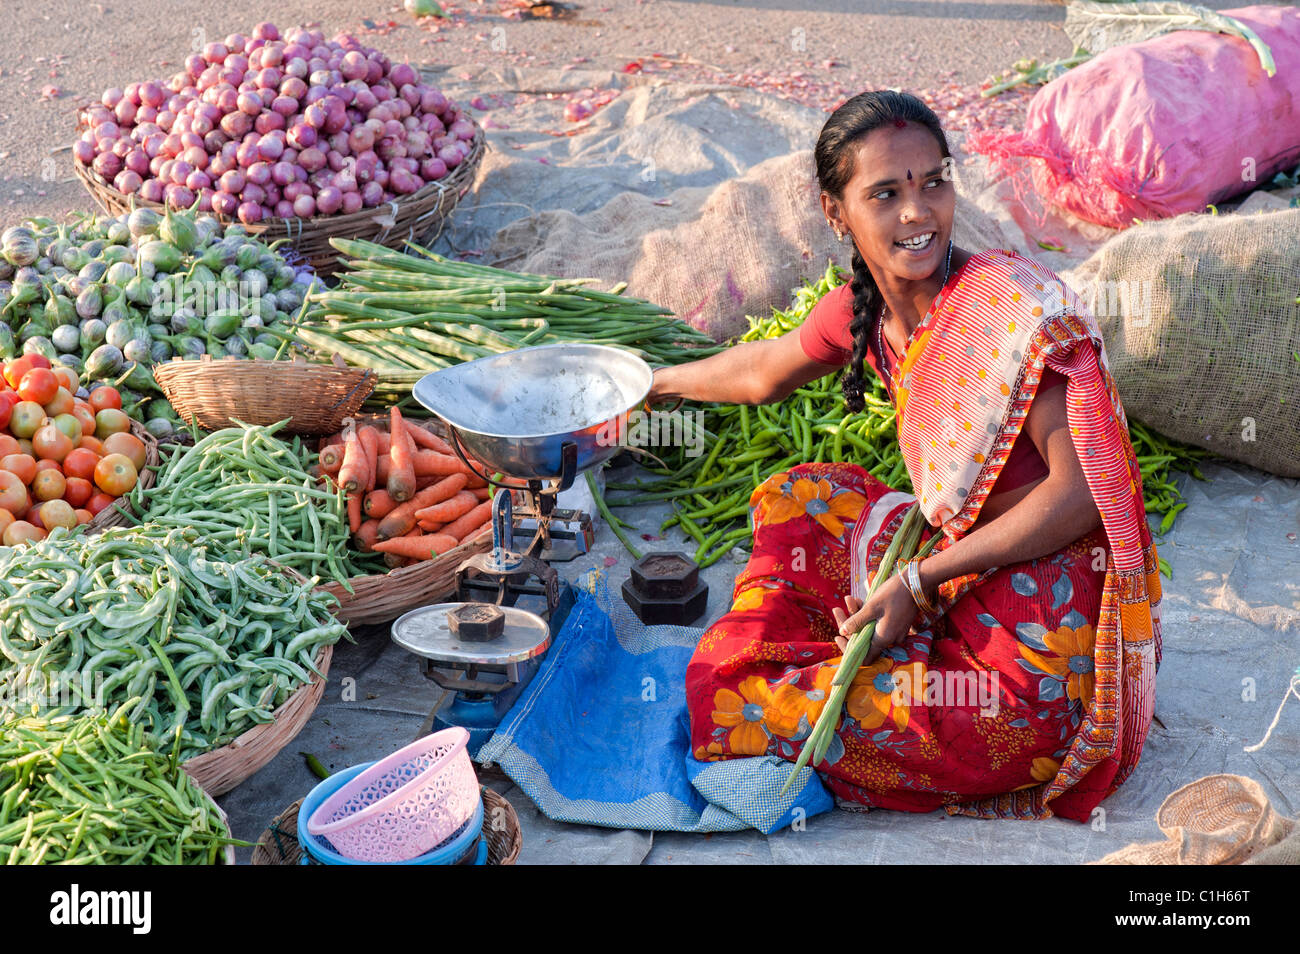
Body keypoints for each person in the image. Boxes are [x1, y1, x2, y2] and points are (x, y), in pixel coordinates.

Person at [645, 90, 1163, 821]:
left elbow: (1078, 494)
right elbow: (763, 371)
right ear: (836, 212)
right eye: (885, 194)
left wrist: (918, 583)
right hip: (956, 566)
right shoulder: (865, 312)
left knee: (737, 706)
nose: (917, 213)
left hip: (1046, 627)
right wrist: (656, 383)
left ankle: (853, 667)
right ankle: (872, 648)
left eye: (933, 183)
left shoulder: (1011, 311)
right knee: (801, 498)